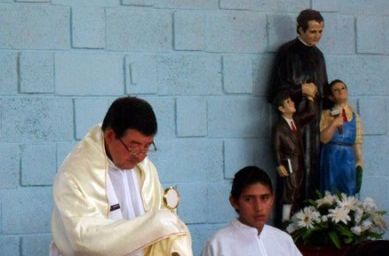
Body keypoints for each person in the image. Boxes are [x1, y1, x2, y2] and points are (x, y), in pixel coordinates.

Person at [50, 96, 192, 256]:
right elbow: (83, 239)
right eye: (134, 146)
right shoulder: (75, 173)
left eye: (147, 146)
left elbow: (161, 224)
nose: (141, 156)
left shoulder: (145, 168)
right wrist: (153, 225)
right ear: (110, 136)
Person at [267, 9, 330, 200]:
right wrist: (299, 90)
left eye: (320, 32)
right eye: (312, 32)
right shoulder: (286, 52)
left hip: (314, 127)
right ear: (300, 29)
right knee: (292, 183)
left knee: (313, 177)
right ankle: (290, 226)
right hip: (293, 127)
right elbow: (273, 93)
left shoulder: (319, 56)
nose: (317, 36)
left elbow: (324, 92)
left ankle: (312, 223)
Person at [201, 166, 301, 256]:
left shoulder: (283, 240)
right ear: (234, 202)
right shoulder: (218, 245)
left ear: (272, 198)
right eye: (249, 199)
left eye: (264, 198)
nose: (259, 208)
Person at [272, 90, 315, 227]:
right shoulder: (279, 127)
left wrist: (310, 99)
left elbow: (311, 114)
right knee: (289, 193)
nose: (292, 103)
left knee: (298, 193)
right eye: (288, 102)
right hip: (289, 164)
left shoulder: (296, 121)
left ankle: (295, 220)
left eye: (292, 101)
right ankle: (285, 221)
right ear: (281, 108)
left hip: (299, 164)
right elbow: (276, 147)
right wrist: (279, 164)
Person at [320, 79, 363, 195]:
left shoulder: (355, 117)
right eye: (336, 90)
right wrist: (333, 124)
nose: (340, 91)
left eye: (343, 88)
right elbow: (323, 139)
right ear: (330, 96)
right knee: (330, 189)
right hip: (331, 155)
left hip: (348, 156)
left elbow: (357, 142)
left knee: (349, 188)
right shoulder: (326, 114)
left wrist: (359, 162)